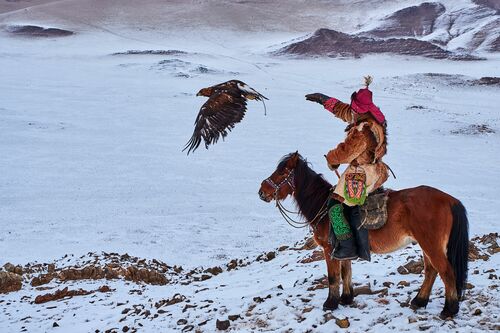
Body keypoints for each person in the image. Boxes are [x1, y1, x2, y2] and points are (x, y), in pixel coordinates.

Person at [305, 76, 389, 260]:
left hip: (362, 172)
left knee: (334, 206)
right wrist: (324, 100)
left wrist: (331, 159)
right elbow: (344, 111)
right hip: (376, 169)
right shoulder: (373, 117)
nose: (352, 112)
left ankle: (348, 246)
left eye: (355, 109)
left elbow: (346, 152)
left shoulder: (362, 130)